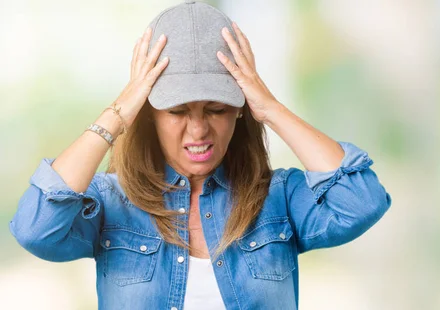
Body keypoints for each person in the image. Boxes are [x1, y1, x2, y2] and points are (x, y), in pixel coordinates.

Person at [8, 1, 392, 309]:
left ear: (240, 111)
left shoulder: (279, 198)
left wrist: (271, 107)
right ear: (150, 116)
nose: (198, 130)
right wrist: (119, 113)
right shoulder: (111, 203)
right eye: (176, 111)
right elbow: (35, 229)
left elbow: (362, 202)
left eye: (217, 108)